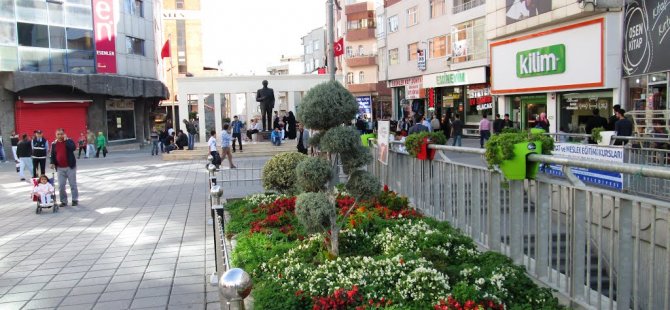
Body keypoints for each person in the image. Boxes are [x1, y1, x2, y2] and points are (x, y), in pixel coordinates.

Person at [50, 128, 79, 207]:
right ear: (56, 135)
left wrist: (66, 140)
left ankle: (74, 200)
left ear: (64, 134)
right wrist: (52, 163)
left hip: (70, 167)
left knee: (73, 184)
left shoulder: (69, 141)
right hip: (60, 168)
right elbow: (52, 155)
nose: (60, 136)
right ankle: (63, 201)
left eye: (61, 134)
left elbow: (73, 148)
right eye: (58, 134)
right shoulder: (54, 144)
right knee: (61, 186)